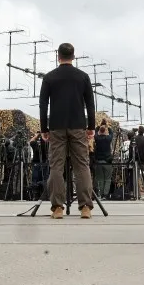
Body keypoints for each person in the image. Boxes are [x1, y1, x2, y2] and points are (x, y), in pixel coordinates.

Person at [38, 42, 96, 219]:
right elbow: (90, 104)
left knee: (56, 166)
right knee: (82, 166)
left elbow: (43, 105)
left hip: (56, 126)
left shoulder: (49, 77)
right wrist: (91, 126)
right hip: (78, 125)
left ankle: (57, 208)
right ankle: (85, 206)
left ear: (58, 56)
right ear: (74, 56)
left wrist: (44, 128)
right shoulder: (83, 77)